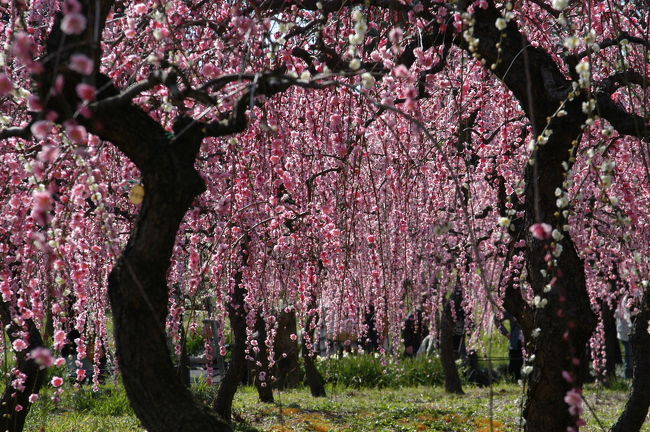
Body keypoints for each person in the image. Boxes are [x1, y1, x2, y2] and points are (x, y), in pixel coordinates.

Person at [497, 313, 524, 381]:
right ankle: (513, 380)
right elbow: (497, 319)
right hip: (516, 341)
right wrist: (505, 333)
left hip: (529, 339)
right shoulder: (513, 309)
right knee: (514, 364)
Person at [615, 295, 633, 379]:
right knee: (629, 355)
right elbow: (625, 315)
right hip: (625, 332)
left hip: (625, 331)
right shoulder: (626, 298)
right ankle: (628, 375)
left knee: (629, 354)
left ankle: (629, 374)